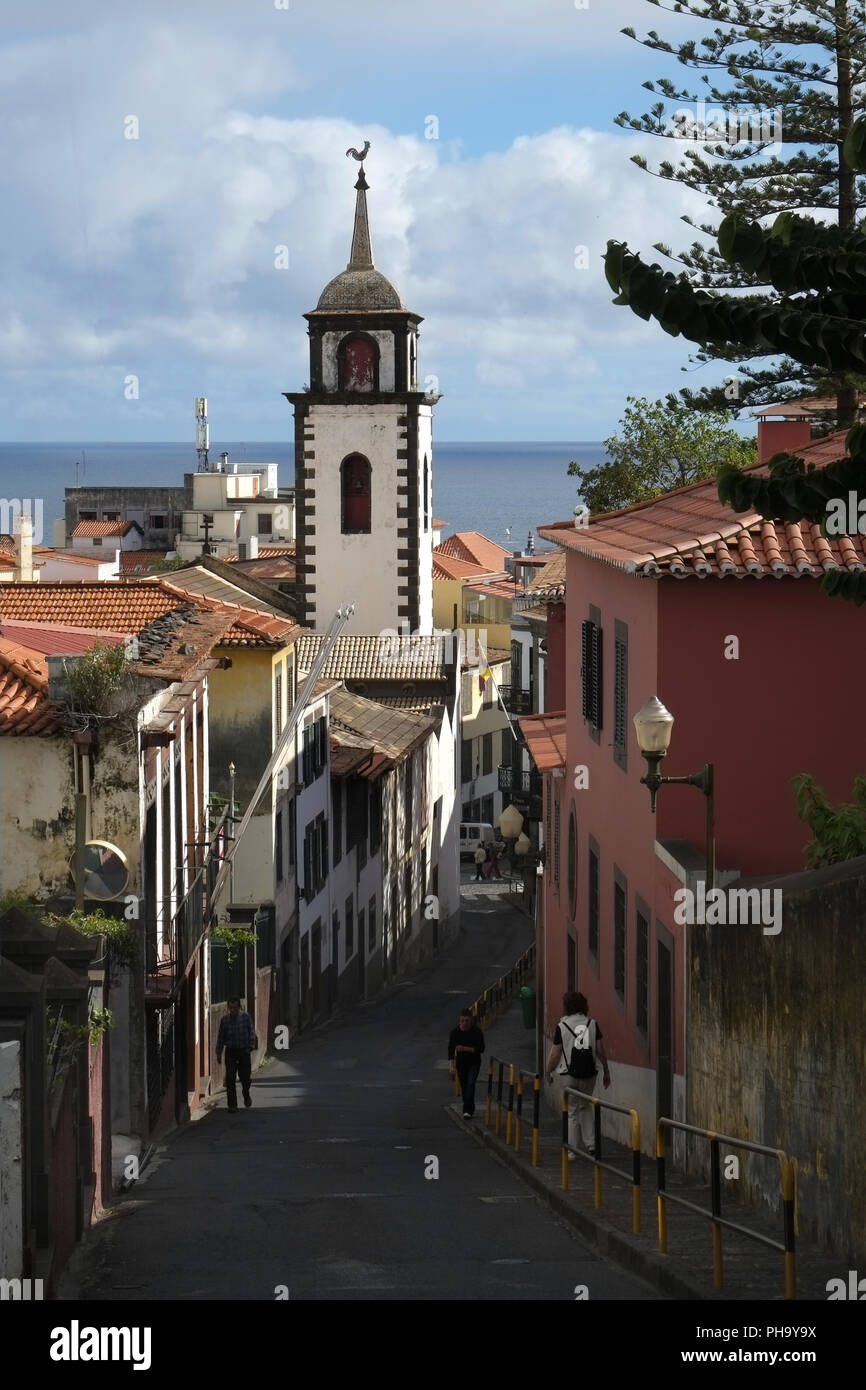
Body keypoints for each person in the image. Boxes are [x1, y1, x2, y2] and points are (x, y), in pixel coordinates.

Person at [545, 991, 610, 1156]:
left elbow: (555, 1054)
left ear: (566, 1007)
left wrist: (548, 1071)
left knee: (572, 1110)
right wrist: (606, 1071)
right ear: (584, 1005)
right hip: (589, 1074)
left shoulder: (562, 1026)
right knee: (585, 1106)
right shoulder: (593, 1024)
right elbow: (601, 1051)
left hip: (568, 1075)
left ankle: (572, 1150)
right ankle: (591, 1144)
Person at [216, 996, 257, 1111]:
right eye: (231, 1008)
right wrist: (219, 1053)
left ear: (239, 1007)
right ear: (228, 1008)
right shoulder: (224, 1020)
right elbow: (221, 1037)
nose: (233, 1010)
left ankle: (246, 1092)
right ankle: (232, 1105)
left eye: (235, 1007)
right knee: (230, 1078)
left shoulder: (246, 1017)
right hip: (231, 1051)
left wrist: (250, 1046)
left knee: (245, 1077)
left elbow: (251, 1032)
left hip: (244, 1051)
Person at [448, 1008, 485, 1118]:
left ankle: (467, 1110)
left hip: (474, 1062)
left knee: (470, 1083)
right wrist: (451, 1067)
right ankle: (469, 1107)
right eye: (462, 1021)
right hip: (461, 1063)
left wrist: (465, 1048)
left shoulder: (476, 1032)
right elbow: (450, 1050)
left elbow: (481, 1049)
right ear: (459, 1021)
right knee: (465, 1087)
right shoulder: (455, 1033)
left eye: (467, 1021)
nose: (464, 1023)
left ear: (471, 1021)